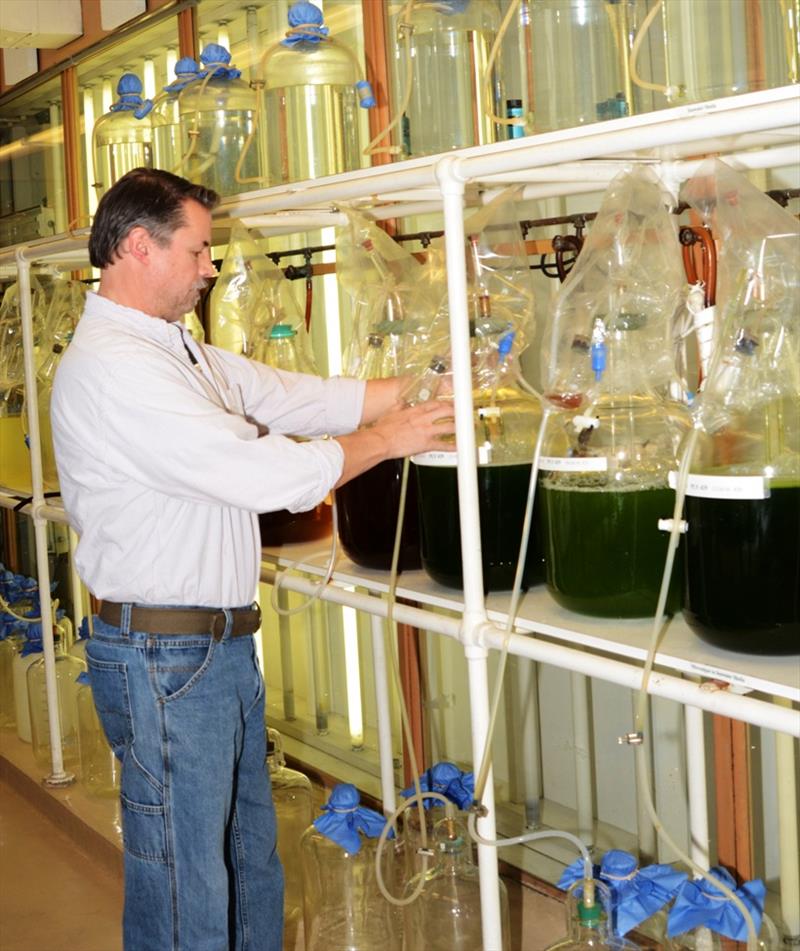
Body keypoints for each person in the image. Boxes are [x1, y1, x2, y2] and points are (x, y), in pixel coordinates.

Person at [50, 167, 453, 951]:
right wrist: (393, 440)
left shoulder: (175, 351)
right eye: (200, 250)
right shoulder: (117, 368)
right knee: (186, 884)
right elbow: (269, 472)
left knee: (247, 869)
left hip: (212, 651)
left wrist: (434, 380)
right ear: (139, 245)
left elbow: (299, 398)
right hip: (164, 659)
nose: (211, 267)